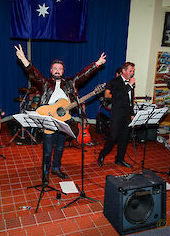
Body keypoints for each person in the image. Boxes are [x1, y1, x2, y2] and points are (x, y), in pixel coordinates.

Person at [15, 44, 106, 183]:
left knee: (60, 148)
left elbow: (83, 75)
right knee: (47, 150)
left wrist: (97, 64)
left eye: (60, 68)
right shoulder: (45, 83)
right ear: (51, 70)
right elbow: (34, 73)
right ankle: (45, 172)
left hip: (63, 121)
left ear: (63, 71)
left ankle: (56, 168)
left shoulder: (70, 83)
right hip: (49, 120)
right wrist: (23, 59)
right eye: (55, 68)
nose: (57, 70)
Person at [97, 62, 135, 168]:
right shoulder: (114, 82)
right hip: (117, 113)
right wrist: (129, 85)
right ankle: (102, 154)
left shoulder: (130, 82)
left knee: (124, 138)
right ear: (123, 71)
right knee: (113, 137)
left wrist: (132, 113)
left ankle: (120, 159)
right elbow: (115, 96)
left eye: (133, 71)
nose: (132, 73)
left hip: (127, 114)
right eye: (130, 71)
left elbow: (130, 100)